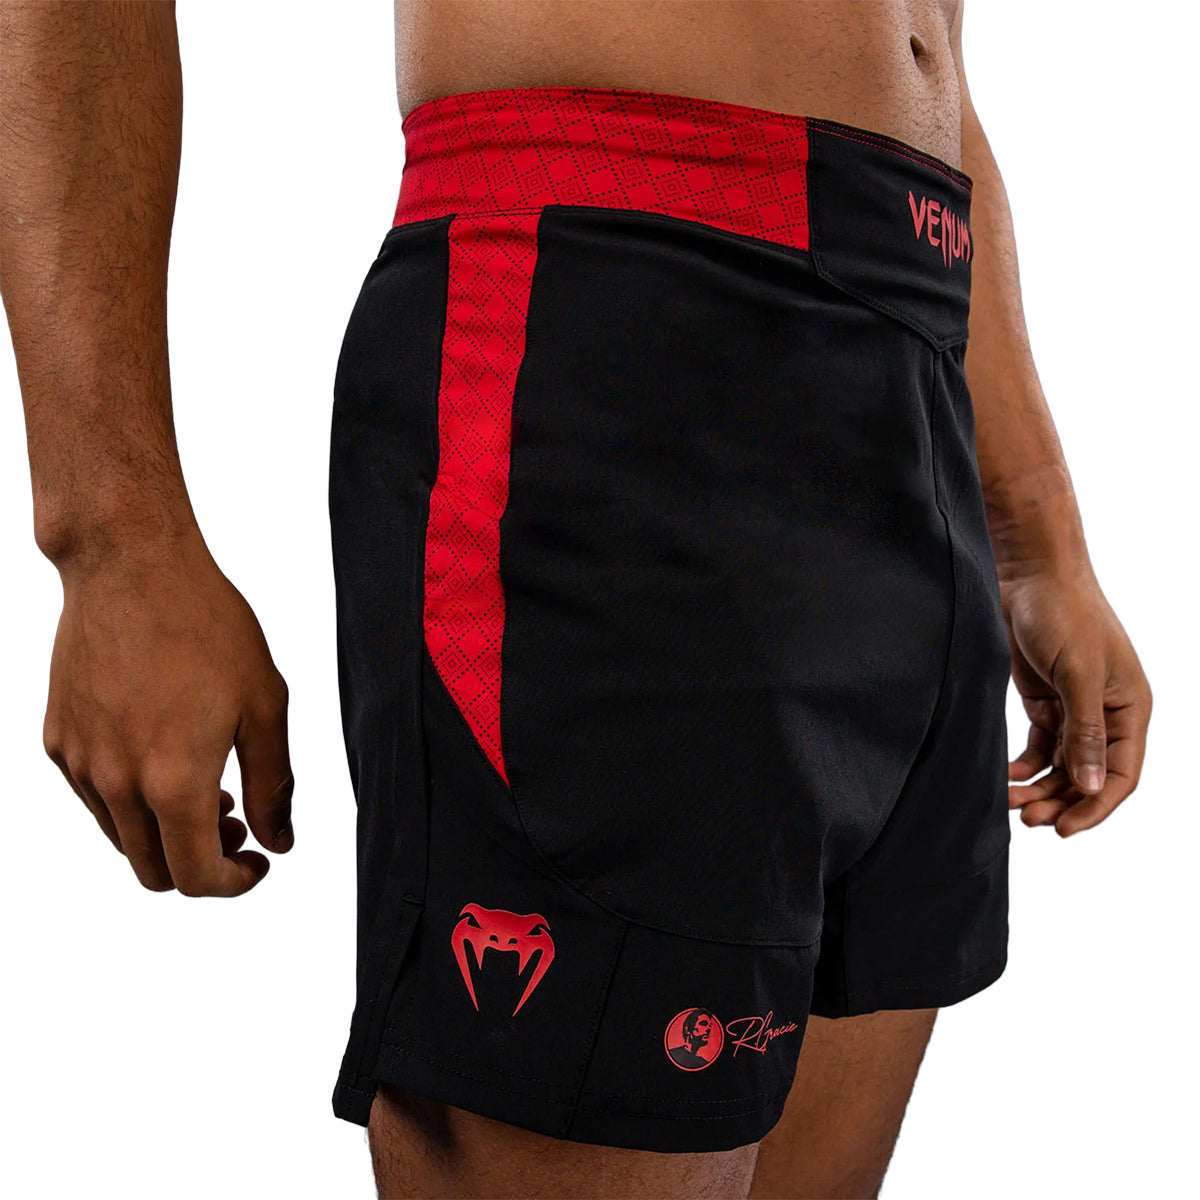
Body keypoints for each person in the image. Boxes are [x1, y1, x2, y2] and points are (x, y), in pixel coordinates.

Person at [0, 2, 1152, 1197]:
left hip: (913, 349)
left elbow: (929, 57)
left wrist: (1034, 534)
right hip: (607, 308)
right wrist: (112, 542)